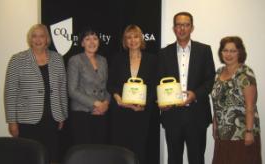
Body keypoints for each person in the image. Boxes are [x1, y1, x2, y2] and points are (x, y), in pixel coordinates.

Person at [4, 24, 68, 163]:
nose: (38, 39)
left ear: (47, 39)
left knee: (51, 157)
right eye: (34, 36)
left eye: (42, 36)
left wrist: (62, 115)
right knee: (29, 158)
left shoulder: (57, 58)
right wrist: (12, 122)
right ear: (30, 39)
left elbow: (62, 88)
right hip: (27, 121)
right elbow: (10, 92)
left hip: (52, 119)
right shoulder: (17, 59)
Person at [157, 12, 215, 164]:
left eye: (186, 25)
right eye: (178, 25)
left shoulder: (204, 51)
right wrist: (162, 102)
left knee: (197, 159)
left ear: (192, 27)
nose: (182, 28)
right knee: (174, 159)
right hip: (172, 115)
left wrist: (195, 94)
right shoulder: (163, 53)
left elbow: (210, 80)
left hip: (197, 115)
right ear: (173, 28)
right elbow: (158, 81)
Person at [108, 25, 158, 164]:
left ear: (141, 39)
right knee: (121, 149)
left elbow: (154, 86)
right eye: (128, 37)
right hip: (121, 112)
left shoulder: (152, 59)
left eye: (135, 36)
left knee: (139, 148)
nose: (132, 40)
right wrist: (118, 99)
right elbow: (111, 84)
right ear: (125, 40)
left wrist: (144, 104)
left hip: (141, 112)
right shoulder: (117, 59)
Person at [211, 36, 262, 164]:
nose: (228, 54)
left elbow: (250, 105)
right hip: (223, 134)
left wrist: (249, 132)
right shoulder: (218, 73)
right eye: (225, 50)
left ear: (240, 52)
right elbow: (217, 102)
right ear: (221, 52)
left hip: (242, 134)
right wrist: (215, 124)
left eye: (233, 51)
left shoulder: (245, 73)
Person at [67, 28, 110, 145]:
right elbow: (72, 90)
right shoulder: (75, 60)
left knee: (99, 151)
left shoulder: (103, 60)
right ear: (82, 43)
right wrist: (96, 104)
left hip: (100, 113)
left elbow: (106, 87)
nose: (92, 42)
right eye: (87, 39)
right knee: (84, 152)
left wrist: (105, 104)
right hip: (82, 114)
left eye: (95, 39)